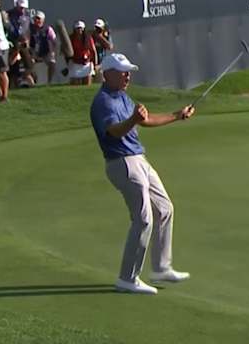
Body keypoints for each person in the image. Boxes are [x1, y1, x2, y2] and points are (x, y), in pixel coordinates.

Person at [89, 53, 195, 295]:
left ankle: (161, 267)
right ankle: (127, 278)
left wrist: (176, 116)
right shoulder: (103, 101)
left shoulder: (122, 97)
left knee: (165, 208)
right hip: (121, 163)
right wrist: (133, 119)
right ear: (107, 74)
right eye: (122, 71)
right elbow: (114, 131)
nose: (127, 75)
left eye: (128, 71)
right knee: (143, 219)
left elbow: (144, 121)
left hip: (139, 159)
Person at [68, 21, 97, 85]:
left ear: (83, 28)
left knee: (87, 83)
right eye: (77, 28)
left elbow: (93, 51)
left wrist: (95, 64)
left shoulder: (88, 38)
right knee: (74, 83)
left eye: (81, 28)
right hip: (75, 62)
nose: (79, 30)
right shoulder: (71, 38)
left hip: (86, 63)